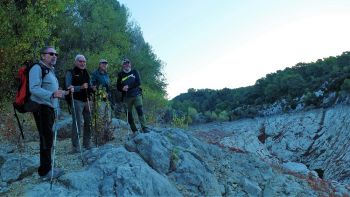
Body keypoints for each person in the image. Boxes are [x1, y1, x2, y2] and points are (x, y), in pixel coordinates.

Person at [30, 46, 70, 179]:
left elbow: (55, 93)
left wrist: (66, 92)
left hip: (49, 109)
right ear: (43, 55)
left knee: (48, 137)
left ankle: (47, 168)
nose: (55, 56)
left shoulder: (50, 70)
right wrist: (52, 94)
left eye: (56, 54)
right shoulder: (37, 68)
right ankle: (45, 171)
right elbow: (34, 89)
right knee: (46, 139)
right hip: (42, 108)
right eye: (51, 53)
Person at [65, 54, 95, 153]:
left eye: (84, 61)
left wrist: (92, 89)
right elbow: (68, 87)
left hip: (87, 100)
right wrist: (80, 87)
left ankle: (87, 143)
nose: (82, 63)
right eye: (80, 61)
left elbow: (89, 86)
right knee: (77, 123)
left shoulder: (86, 72)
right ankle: (75, 147)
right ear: (75, 62)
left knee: (89, 122)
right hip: (76, 100)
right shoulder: (70, 72)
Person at [117, 58, 149, 135]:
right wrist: (122, 88)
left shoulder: (135, 72)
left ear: (130, 64)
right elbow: (118, 86)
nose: (126, 65)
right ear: (122, 66)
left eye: (127, 63)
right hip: (126, 97)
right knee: (129, 115)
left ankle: (144, 128)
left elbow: (138, 82)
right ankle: (134, 131)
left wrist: (128, 86)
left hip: (137, 94)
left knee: (140, 111)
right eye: (124, 64)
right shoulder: (120, 74)